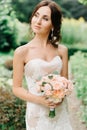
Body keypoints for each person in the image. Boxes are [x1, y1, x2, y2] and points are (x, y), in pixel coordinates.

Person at [13, 0, 73, 129]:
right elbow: (16, 88)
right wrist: (40, 100)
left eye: (45, 18)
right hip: (37, 112)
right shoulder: (22, 52)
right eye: (36, 15)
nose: (38, 21)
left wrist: (60, 97)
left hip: (60, 112)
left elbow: (65, 82)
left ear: (53, 25)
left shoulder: (62, 51)